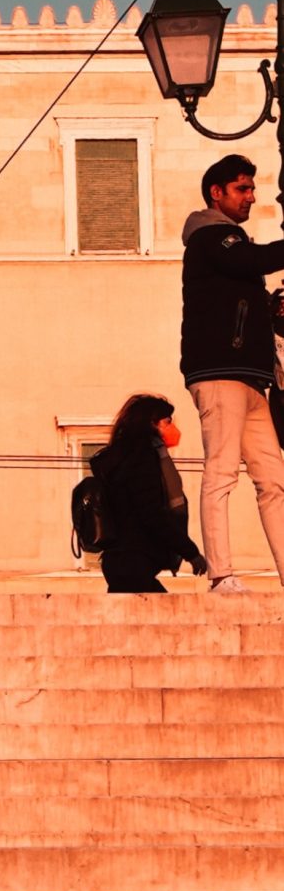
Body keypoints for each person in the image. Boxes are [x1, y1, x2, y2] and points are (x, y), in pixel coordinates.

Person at [179, 154, 284, 592]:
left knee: (273, 479)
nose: (251, 197)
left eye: (252, 189)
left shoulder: (230, 243)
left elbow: (244, 286)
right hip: (220, 371)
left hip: (249, 374)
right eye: (242, 189)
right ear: (216, 193)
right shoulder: (211, 237)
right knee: (221, 472)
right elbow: (248, 262)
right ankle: (221, 574)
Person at [87, 393, 206, 594]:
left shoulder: (122, 456)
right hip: (134, 560)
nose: (173, 429)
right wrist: (190, 552)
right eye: (167, 422)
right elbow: (151, 512)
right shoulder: (143, 457)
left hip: (121, 560)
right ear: (152, 424)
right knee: (164, 619)